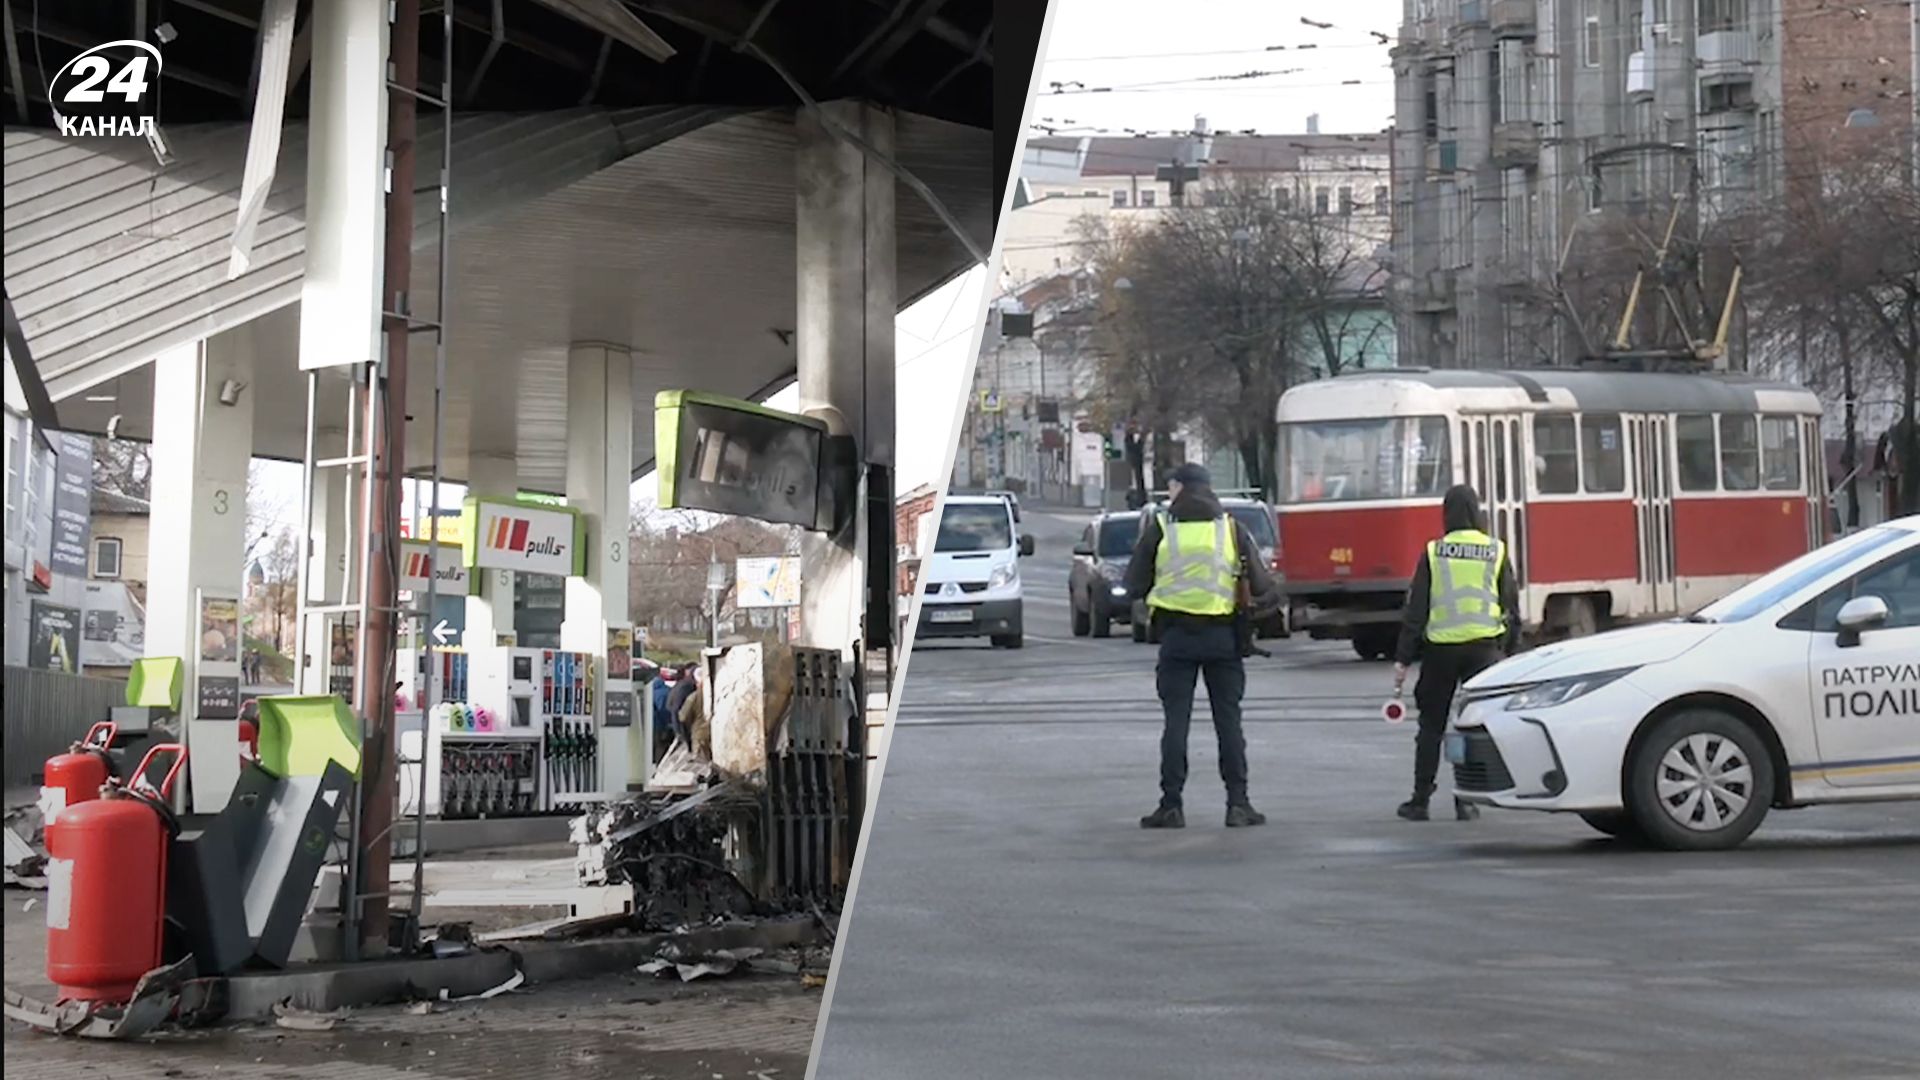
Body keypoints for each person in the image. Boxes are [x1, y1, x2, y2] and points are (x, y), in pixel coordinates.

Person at [1125, 462, 1280, 829]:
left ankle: (1172, 804)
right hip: (1223, 638)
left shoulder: (1161, 528)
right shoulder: (1231, 529)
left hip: (1177, 638)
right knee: (1228, 723)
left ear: (1180, 487)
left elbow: (1133, 584)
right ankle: (1238, 804)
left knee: (1176, 723)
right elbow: (1262, 586)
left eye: (1171, 485)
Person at [1391, 484, 1521, 822]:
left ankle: (1420, 800)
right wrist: (1508, 649)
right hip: (1484, 650)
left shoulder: (1435, 552)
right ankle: (1468, 801)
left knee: (1432, 725)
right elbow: (1511, 605)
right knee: (1472, 725)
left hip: (1441, 650)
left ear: (1446, 513)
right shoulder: (1495, 550)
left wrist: (1403, 658)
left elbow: (1416, 610)